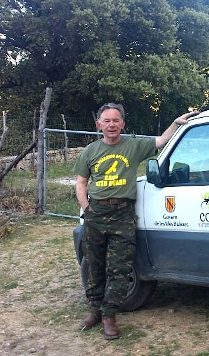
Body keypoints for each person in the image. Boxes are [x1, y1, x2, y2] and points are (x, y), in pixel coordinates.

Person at [74, 103, 197, 340]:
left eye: (116, 120)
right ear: (98, 125)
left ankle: (110, 315)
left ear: (123, 124)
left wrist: (176, 123)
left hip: (122, 215)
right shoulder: (90, 151)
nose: (111, 125)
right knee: (94, 264)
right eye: (106, 121)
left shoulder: (133, 146)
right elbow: (81, 182)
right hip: (96, 214)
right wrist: (87, 210)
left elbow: (161, 141)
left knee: (119, 268)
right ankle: (94, 310)